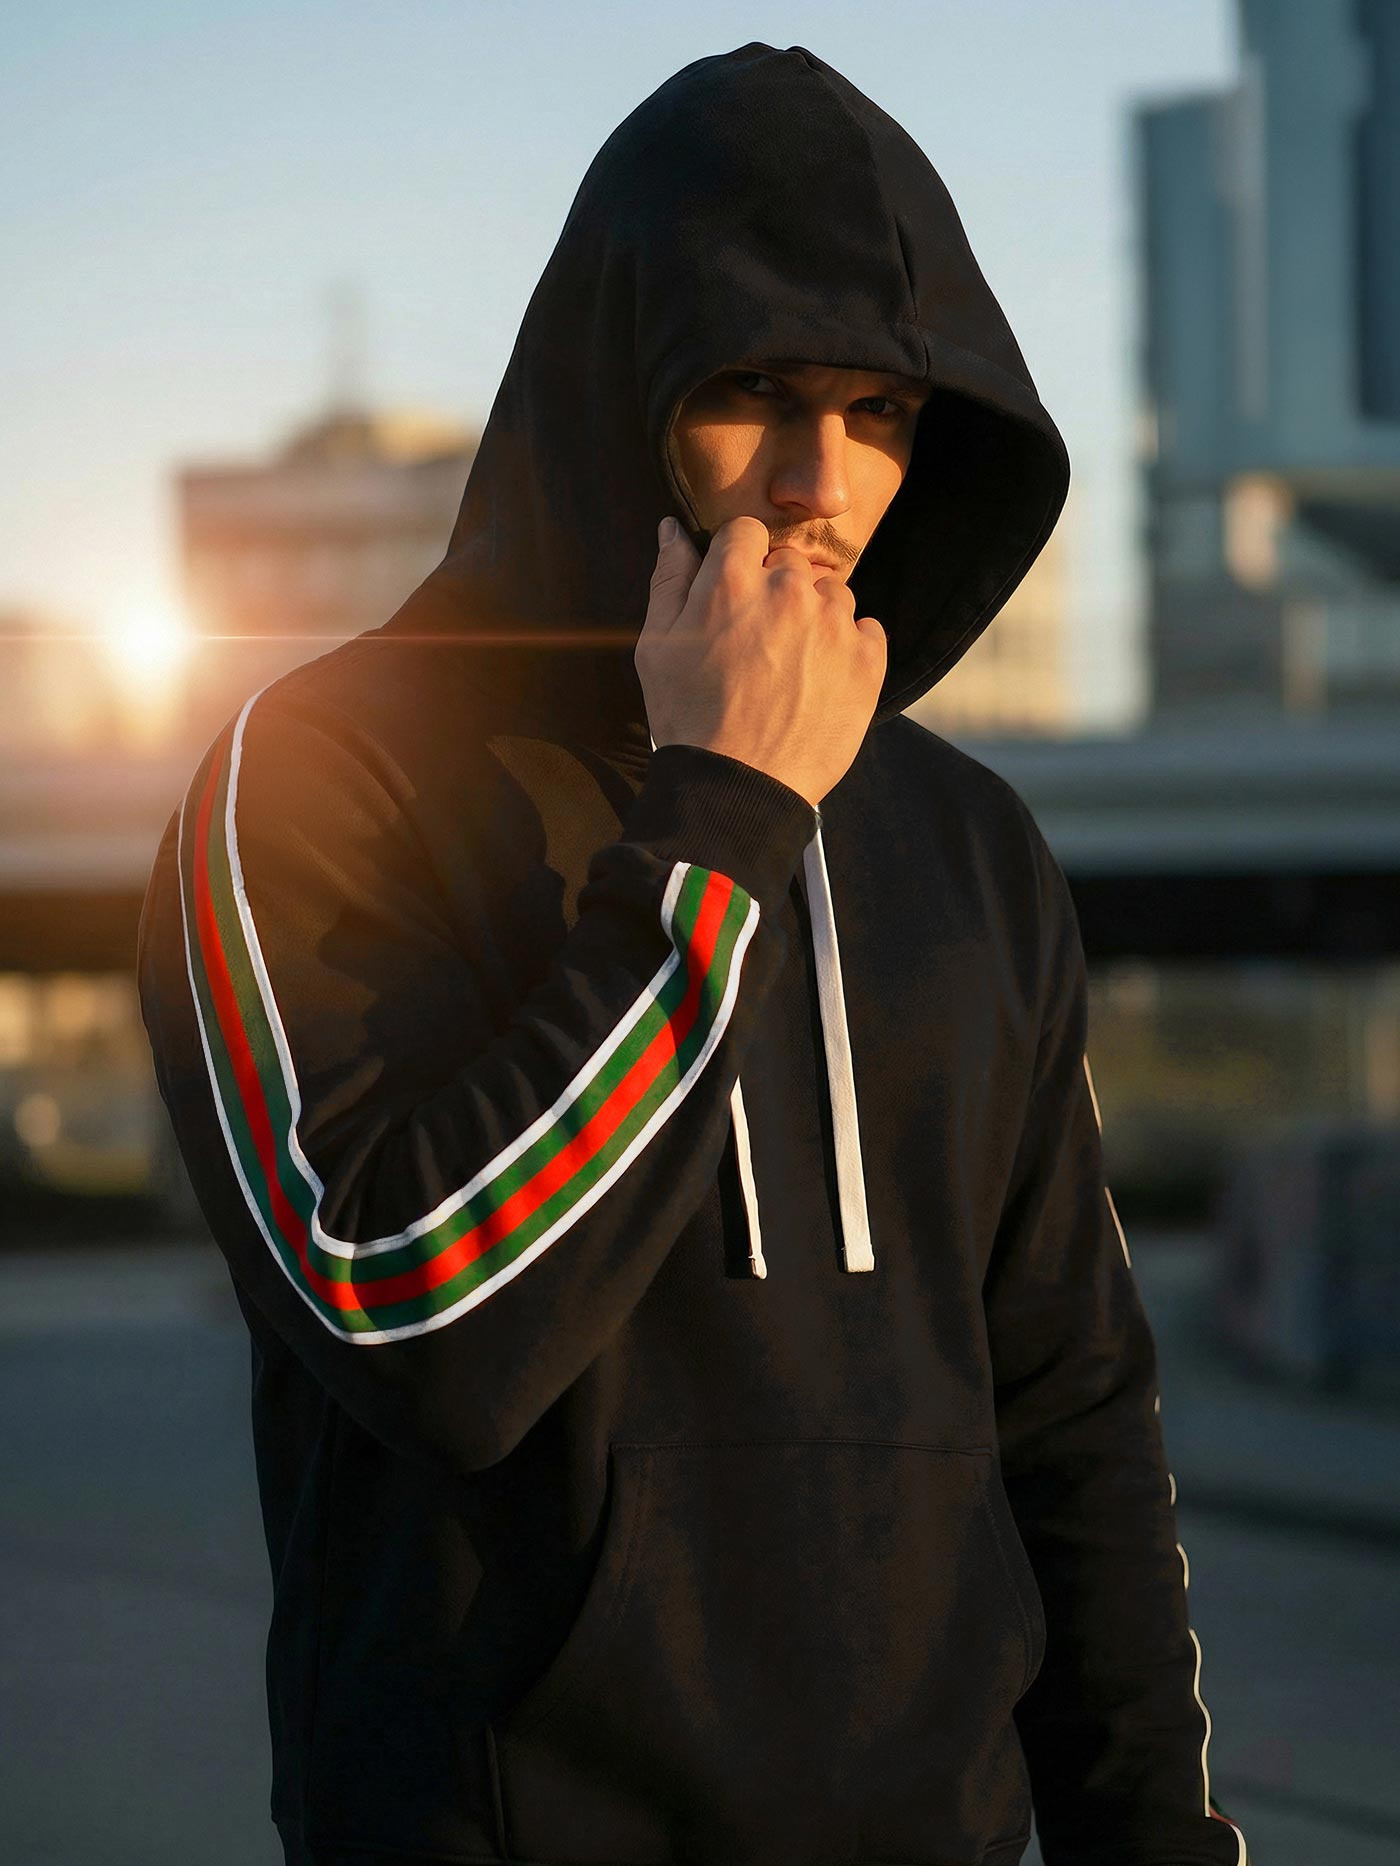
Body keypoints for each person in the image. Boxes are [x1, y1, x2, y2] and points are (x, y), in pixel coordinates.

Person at [136, 40, 1250, 1866]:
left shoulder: (972, 842)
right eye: (756, 391)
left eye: (882, 409)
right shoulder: (321, 778)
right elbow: (413, 1319)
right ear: (619, 386)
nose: (822, 480)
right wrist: (723, 816)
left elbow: (1074, 1421)